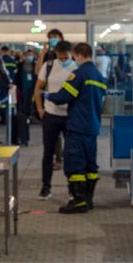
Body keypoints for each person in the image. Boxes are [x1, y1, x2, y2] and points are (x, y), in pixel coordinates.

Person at [45, 42, 106, 213]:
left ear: (78, 55)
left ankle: (78, 201)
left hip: (77, 125)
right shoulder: (100, 77)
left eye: (74, 56)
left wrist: (49, 95)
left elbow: (65, 96)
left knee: (75, 162)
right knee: (90, 164)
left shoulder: (78, 74)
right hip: (92, 126)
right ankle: (88, 199)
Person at [34, 40, 75, 200]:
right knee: (48, 152)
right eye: (61, 57)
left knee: (71, 153)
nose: (64, 60)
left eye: (66, 57)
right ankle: (46, 186)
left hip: (70, 116)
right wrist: (39, 109)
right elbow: (38, 87)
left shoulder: (77, 67)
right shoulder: (49, 66)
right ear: (56, 54)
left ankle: (72, 187)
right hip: (50, 114)